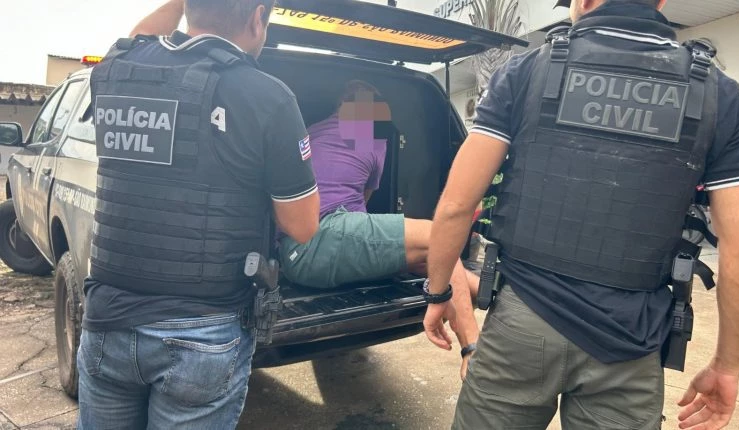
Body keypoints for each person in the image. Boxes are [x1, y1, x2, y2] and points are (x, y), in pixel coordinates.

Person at [424, 0, 739, 429]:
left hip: (524, 320)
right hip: (631, 337)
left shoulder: (526, 72)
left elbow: (456, 206)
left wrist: (439, 293)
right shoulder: (721, 96)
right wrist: (727, 366)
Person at [77, 1, 320, 428]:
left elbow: (137, 37)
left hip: (106, 321)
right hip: (202, 333)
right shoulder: (268, 96)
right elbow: (301, 226)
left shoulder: (117, 70)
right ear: (257, 17)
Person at [279, 79, 479, 353]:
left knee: (432, 260)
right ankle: (471, 348)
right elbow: (363, 200)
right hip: (320, 241)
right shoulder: (373, 140)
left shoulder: (312, 131)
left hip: (294, 253)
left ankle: (492, 294)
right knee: (439, 238)